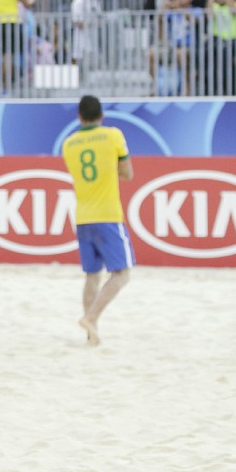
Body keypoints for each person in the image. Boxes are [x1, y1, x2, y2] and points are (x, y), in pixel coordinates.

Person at [59, 96, 135, 346]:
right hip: (108, 215)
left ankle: (91, 333)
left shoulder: (69, 144)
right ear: (101, 115)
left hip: (83, 216)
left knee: (92, 276)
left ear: (79, 117)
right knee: (121, 274)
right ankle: (91, 317)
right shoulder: (113, 136)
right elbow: (128, 174)